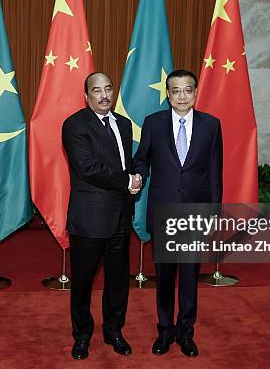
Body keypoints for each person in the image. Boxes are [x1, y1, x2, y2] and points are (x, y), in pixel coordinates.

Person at [133, 69, 223, 357]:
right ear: (168, 94)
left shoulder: (211, 125)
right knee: (165, 276)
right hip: (164, 212)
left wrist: (214, 212)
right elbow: (141, 160)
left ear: (196, 93)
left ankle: (186, 333)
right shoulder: (153, 123)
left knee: (188, 277)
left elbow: (214, 172)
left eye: (187, 90)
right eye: (176, 91)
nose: (182, 96)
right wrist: (136, 178)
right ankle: (165, 331)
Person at [62, 72, 142, 360]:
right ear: (87, 96)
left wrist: (137, 178)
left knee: (119, 279)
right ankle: (82, 334)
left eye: (108, 88)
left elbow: (129, 163)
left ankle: (114, 330)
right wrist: (126, 181)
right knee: (83, 281)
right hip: (90, 217)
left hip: (121, 215)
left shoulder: (123, 123)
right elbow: (86, 167)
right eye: (97, 90)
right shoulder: (74, 125)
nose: (104, 95)